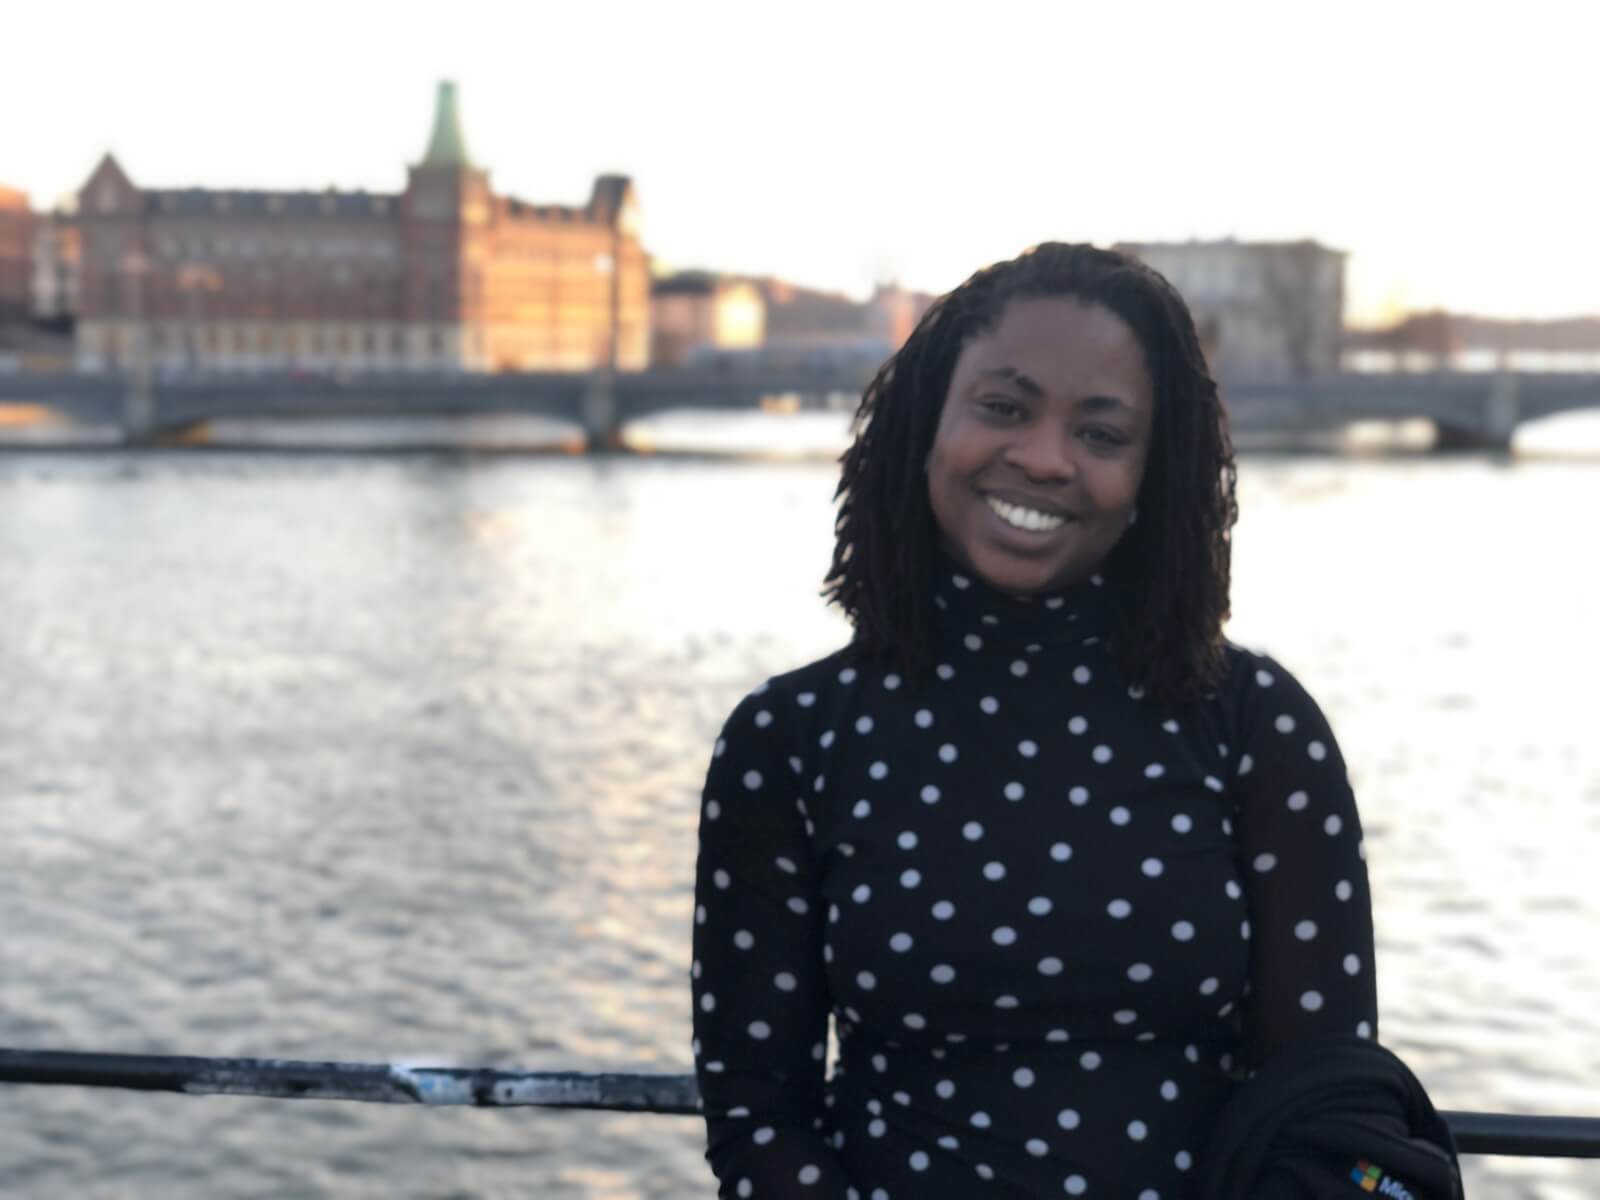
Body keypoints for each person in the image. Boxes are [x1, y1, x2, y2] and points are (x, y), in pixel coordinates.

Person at [689, 242, 1377, 1198]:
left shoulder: (1254, 728)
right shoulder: (792, 740)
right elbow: (760, 1113)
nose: (1046, 458)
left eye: (1101, 435)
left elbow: (1325, 1105)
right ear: (927, 425)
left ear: (1151, 477)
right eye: (1004, 409)